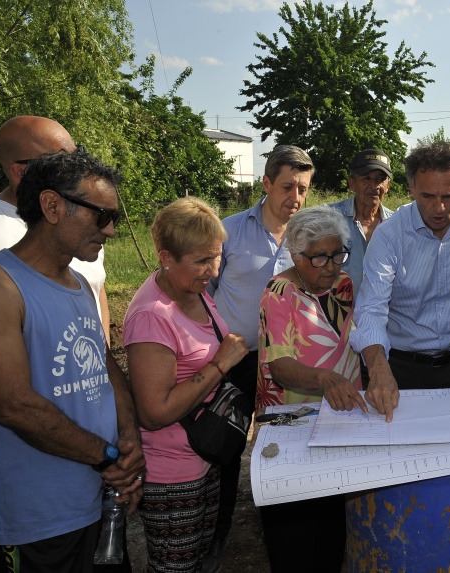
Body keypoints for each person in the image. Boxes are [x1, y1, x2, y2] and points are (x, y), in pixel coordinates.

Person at [0, 149, 144, 573]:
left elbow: (104, 364)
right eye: (101, 216)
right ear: (53, 206)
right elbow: (14, 406)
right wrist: (109, 456)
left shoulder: (77, 282)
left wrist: (130, 444)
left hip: (98, 500)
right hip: (40, 518)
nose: (111, 232)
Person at [123, 197, 249, 573]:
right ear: (165, 257)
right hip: (173, 475)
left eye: (217, 257)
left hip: (203, 458)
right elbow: (154, 411)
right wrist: (220, 363)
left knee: (195, 563)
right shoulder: (151, 317)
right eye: (201, 261)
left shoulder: (191, 291)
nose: (212, 271)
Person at [206, 144, 313, 563]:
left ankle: (278, 529)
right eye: (288, 186)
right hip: (236, 362)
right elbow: (206, 294)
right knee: (226, 448)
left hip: (287, 366)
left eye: (303, 188)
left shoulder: (308, 237)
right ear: (266, 183)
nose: (296, 197)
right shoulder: (228, 232)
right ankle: (218, 532)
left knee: (282, 444)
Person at [256, 205, 367, 571]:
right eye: (320, 258)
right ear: (295, 254)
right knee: (296, 528)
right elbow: (281, 367)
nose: (332, 266)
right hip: (294, 421)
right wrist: (323, 378)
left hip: (341, 416)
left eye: (338, 254)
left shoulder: (345, 285)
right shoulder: (279, 293)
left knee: (333, 523)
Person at [350, 141, 450, 422]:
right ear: (411, 188)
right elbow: (372, 309)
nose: (439, 208)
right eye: (427, 196)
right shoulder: (389, 236)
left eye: (449, 196)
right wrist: (378, 369)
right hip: (401, 368)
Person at [0, 116, 111, 344]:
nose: (81, 169)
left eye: (79, 155)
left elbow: (97, 287)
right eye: (64, 161)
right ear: (21, 173)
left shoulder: (82, 217)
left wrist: (103, 365)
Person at [328, 148, 395, 296]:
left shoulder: (397, 224)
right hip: (337, 315)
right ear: (352, 183)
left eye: (380, 179)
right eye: (366, 178)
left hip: (382, 315)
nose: (375, 185)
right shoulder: (329, 218)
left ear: (388, 186)